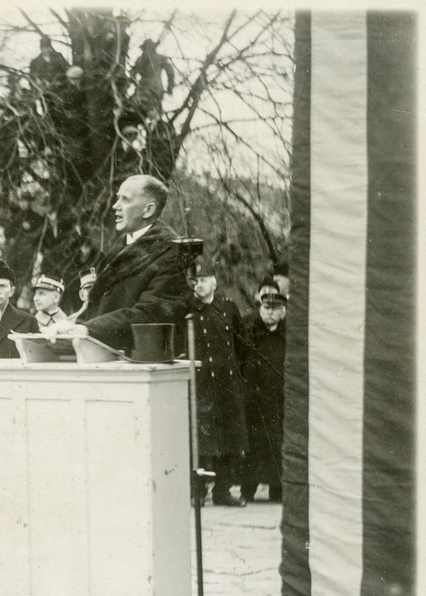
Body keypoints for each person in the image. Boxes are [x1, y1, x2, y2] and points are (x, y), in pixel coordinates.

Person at [50, 175, 188, 352]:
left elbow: (151, 313)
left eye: (125, 199)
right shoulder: (122, 246)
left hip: (142, 360)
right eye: (117, 198)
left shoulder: (171, 253)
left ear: (148, 210)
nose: (115, 206)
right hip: (107, 356)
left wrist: (86, 328)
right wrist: (72, 324)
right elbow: (100, 309)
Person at [187, 259, 249, 507]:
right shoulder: (190, 312)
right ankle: (198, 492)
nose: (198, 284)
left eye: (203, 279)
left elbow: (242, 347)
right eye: (195, 281)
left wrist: (235, 375)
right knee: (200, 439)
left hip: (226, 385)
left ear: (215, 282)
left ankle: (223, 492)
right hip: (200, 385)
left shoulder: (228, 309)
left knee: (227, 440)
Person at [240, 291, 287, 503]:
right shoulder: (250, 333)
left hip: (278, 400)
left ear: (283, 312)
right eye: (266, 308)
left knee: (277, 445)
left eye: (275, 309)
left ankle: (277, 490)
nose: (270, 313)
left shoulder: (288, 337)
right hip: (254, 400)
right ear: (260, 309)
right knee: (253, 444)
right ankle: (247, 489)